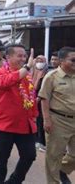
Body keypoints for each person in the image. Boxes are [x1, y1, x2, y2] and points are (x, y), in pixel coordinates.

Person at [0, 45, 37, 184]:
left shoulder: (27, 76)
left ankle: (14, 181)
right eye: (19, 56)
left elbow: (31, 98)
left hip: (25, 125)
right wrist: (27, 68)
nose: (23, 59)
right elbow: (6, 82)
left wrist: (34, 115)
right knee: (1, 160)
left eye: (25, 56)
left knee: (29, 156)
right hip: (4, 125)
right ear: (8, 57)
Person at [39, 46, 75, 184]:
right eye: (73, 60)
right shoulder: (51, 77)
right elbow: (44, 98)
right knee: (54, 156)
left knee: (73, 157)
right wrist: (47, 120)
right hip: (58, 120)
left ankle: (62, 170)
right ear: (61, 60)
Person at [32, 55, 49, 152]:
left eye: (41, 60)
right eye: (37, 60)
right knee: (33, 119)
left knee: (40, 120)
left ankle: (41, 141)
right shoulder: (32, 71)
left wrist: (39, 97)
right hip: (31, 99)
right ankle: (35, 140)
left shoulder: (47, 73)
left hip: (41, 100)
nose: (39, 62)